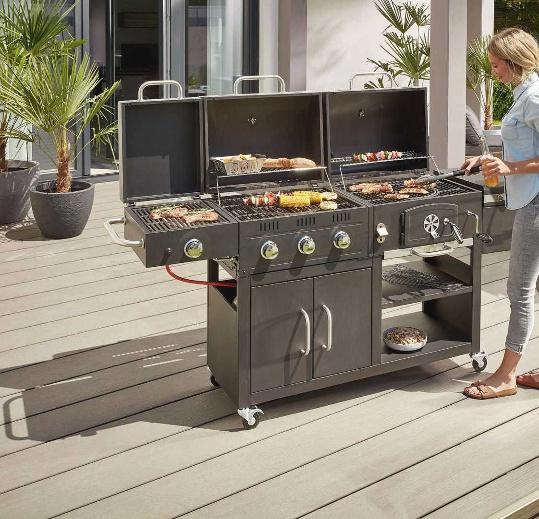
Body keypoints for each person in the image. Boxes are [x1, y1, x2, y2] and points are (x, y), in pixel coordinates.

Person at [462, 27, 539, 400]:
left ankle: (506, 376)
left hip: (536, 202)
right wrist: (488, 159)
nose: (492, 71)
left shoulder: (534, 98)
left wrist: (509, 168)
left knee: (519, 289)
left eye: (496, 65)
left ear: (514, 62)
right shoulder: (524, 93)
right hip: (531, 197)